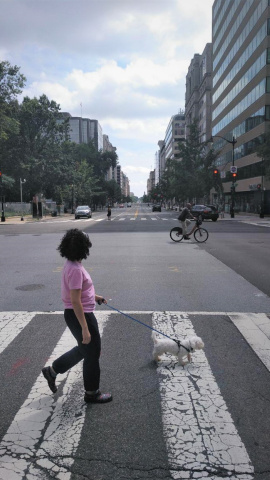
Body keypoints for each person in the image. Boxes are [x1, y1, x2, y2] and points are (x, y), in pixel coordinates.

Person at [42, 228, 112, 404]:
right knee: (92, 353)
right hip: (80, 315)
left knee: (85, 349)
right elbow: (75, 301)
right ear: (83, 248)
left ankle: (52, 371)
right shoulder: (75, 269)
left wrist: (95, 297)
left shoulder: (72, 265)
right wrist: (85, 328)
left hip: (78, 312)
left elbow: (79, 292)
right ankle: (92, 393)